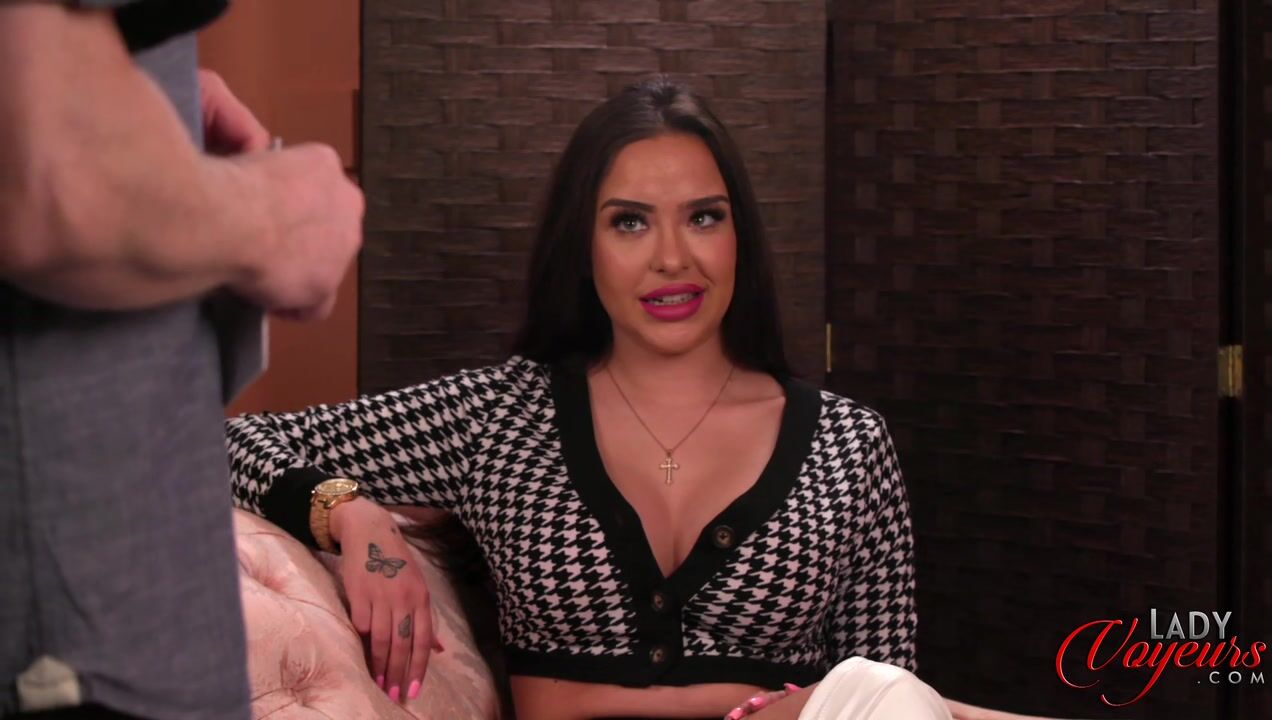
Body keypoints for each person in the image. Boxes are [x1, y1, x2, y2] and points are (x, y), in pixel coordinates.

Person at [225, 78, 948, 720]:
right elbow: (225, 443)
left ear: (740, 237)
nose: (673, 257)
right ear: (584, 244)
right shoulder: (501, 416)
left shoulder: (847, 443)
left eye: (703, 217)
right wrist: (351, 515)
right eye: (630, 221)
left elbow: (886, 684)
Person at [0, 1, 362, 718]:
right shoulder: (509, 409)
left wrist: (142, 85)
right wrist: (277, 217)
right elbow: (48, 182)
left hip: (121, 613)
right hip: (70, 637)